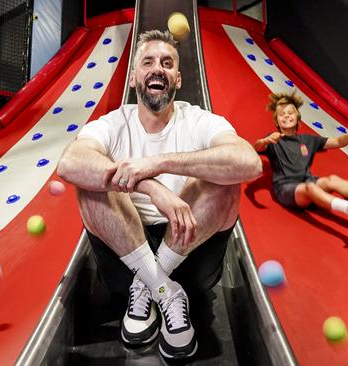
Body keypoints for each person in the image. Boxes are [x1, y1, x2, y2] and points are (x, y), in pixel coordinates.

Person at [57, 30, 262, 360]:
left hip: (189, 249)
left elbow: (249, 163)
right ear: (135, 75)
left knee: (224, 177)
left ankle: (153, 281)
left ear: (177, 79)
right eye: (148, 62)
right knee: (91, 180)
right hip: (127, 256)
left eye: (167, 63)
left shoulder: (198, 120)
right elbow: (69, 163)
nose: (157, 68)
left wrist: (157, 164)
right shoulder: (113, 123)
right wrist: (149, 185)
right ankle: (162, 289)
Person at [253, 92, 348, 217]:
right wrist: (265, 141)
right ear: (277, 122)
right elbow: (257, 148)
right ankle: (347, 207)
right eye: (282, 114)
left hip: (309, 182)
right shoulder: (273, 139)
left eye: (290, 113)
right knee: (309, 187)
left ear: (297, 118)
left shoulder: (308, 140)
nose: (286, 116)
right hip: (286, 189)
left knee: (331, 180)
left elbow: (338, 142)